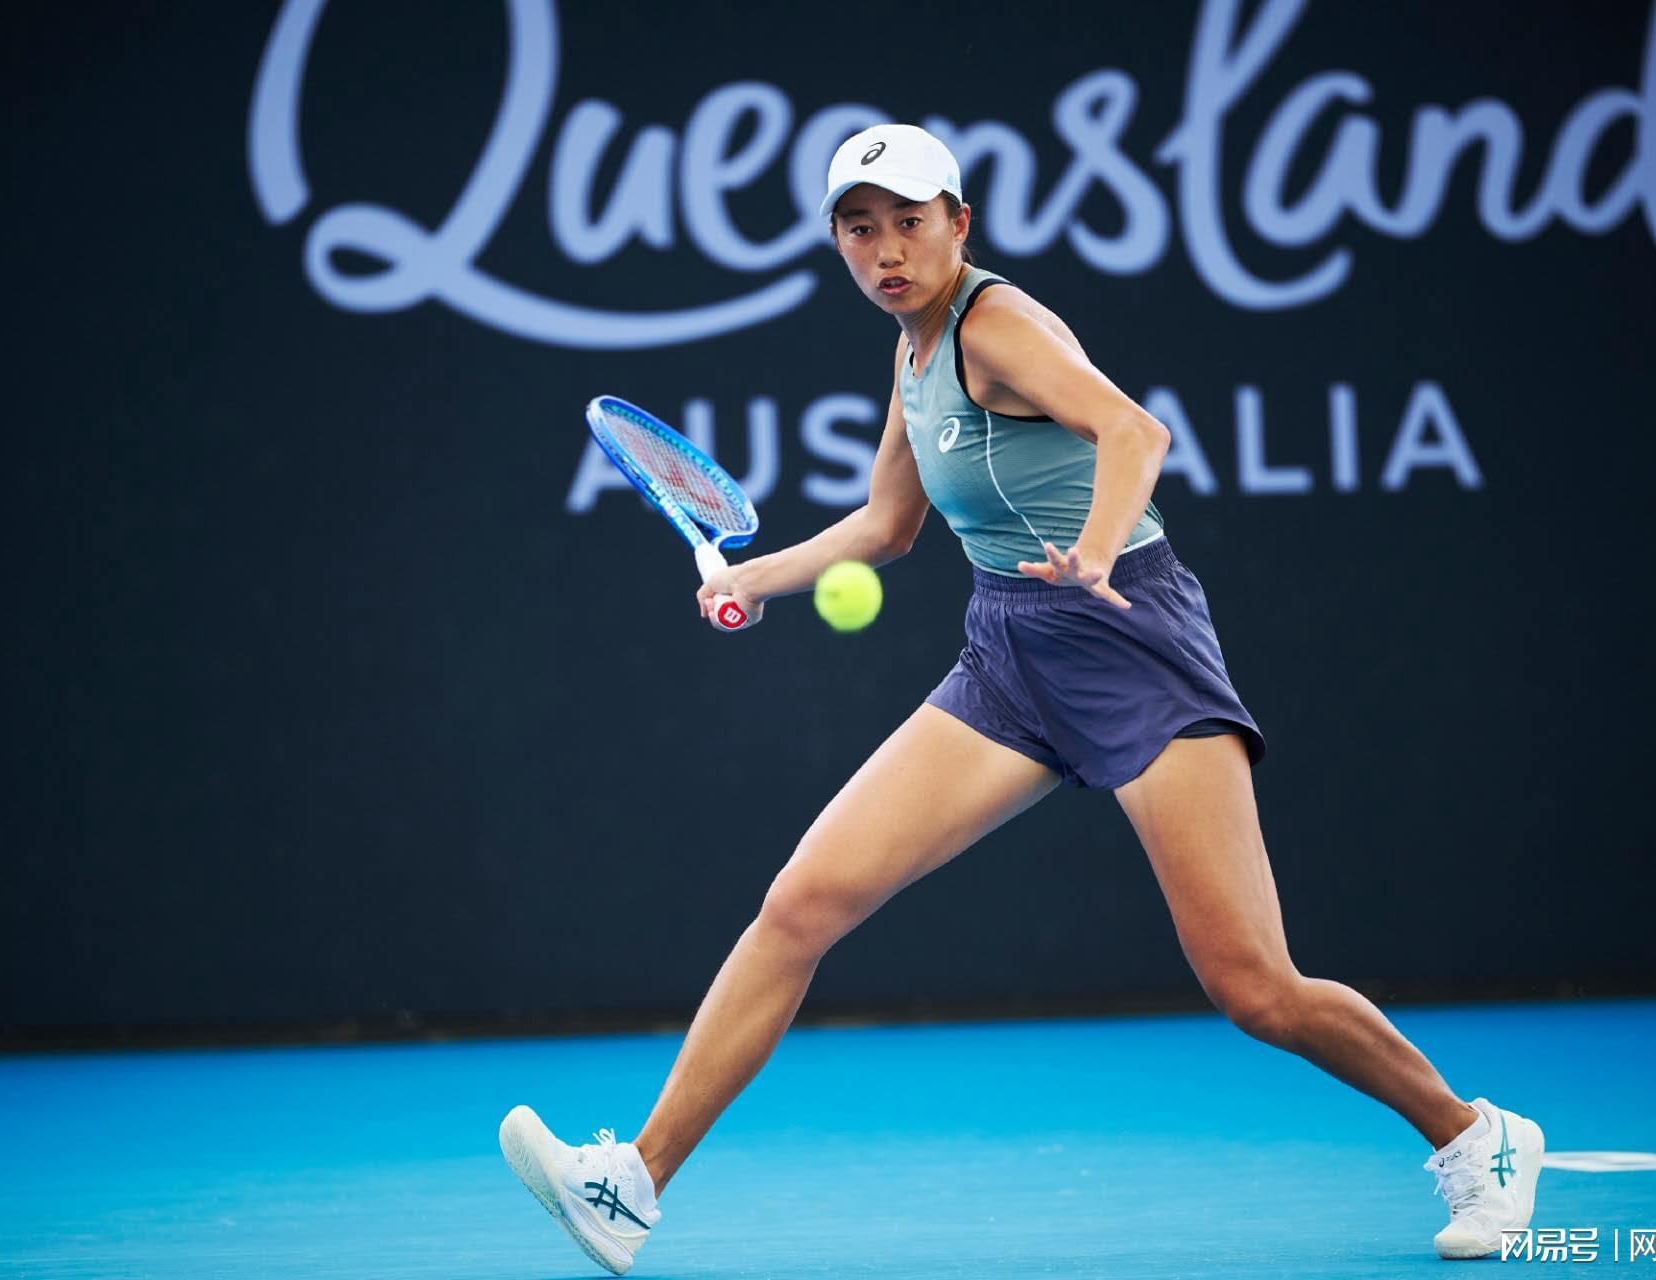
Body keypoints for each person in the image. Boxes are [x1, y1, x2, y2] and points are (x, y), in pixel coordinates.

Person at [499, 123, 1543, 1274]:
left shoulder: (994, 325)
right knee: (801, 902)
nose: (886, 249)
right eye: (859, 228)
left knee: (1252, 984)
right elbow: (886, 526)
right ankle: (632, 1179)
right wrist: (757, 577)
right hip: (1007, 651)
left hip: (1129, 639)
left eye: (909, 222)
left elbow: (1133, 429)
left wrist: (1092, 549)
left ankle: (1474, 1134)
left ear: (959, 222)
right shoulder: (911, 353)